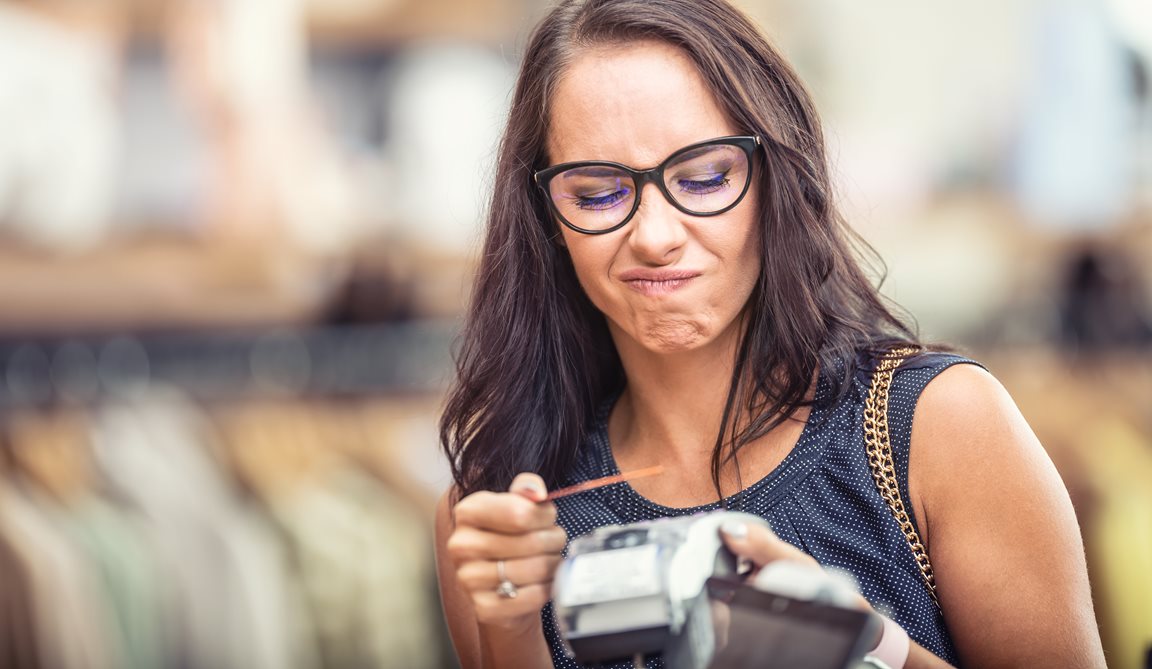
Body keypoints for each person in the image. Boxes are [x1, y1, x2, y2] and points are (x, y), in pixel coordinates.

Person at [434, 1, 1107, 667]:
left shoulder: (938, 428)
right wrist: (515, 630)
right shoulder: (497, 511)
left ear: (776, 179)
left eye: (703, 178)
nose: (656, 237)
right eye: (597, 193)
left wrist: (871, 648)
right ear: (545, 217)